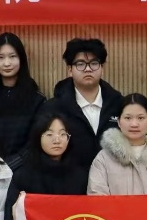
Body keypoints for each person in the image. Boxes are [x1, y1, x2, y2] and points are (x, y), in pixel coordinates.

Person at [44, 38, 123, 170]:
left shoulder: (119, 105)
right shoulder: (53, 108)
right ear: (70, 70)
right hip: (68, 178)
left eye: (94, 63)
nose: (88, 69)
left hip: (112, 179)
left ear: (102, 68)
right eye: (80, 64)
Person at [0, 33, 45, 170]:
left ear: (22, 59)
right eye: (0, 57)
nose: (7, 63)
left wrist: (8, 166)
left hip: (25, 171)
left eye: (12, 56)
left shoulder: (37, 100)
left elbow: (36, 142)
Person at [88, 94, 147, 196]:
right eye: (128, 118)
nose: (134, 124)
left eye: (140, 118)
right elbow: (97, 199)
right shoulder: (103, 159)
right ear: (119, 122)